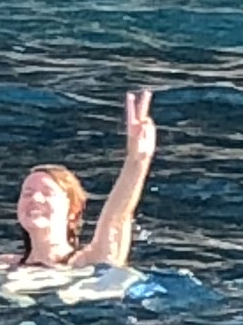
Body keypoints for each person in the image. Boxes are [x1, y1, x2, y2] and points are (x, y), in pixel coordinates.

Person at [10, 89, 158, 280]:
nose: (35, 198)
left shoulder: (88, 262)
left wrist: (137, 160)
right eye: (27, 193)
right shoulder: (4, 265)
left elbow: (116, 219)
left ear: (73, 211)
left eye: (47, 193)